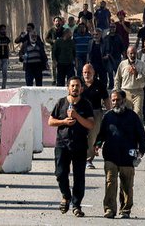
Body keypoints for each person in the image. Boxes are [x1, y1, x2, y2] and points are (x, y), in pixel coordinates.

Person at [95, 90, 145, 219]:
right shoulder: (108, 117)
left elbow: (141, 135)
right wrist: (97, 144)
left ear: (124, 100)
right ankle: (109, 209)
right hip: (110, 156)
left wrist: (141, 151)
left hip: (128, 157)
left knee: (127, 186)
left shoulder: (133, 117)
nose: (115, 103)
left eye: (118, 100)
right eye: (113, 100)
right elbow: (101, 134)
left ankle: (125, 210)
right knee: (110, 183)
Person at [48, 76, 94, 217]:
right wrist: (63, 122)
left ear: (81, 88)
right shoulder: (61, 103)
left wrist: (76, 117)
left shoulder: (86, 104)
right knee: (61, 173)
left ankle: (76, 205)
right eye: (72, 85)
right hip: (62, 144)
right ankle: (66, 196)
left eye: (77, 86)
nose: (75, 88)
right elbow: (50, 121)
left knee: (79, 176)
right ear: (68, 87)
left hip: (79, 145)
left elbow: (91, 124)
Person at [81, 63, 111, 170]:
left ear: (93, 73)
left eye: (89, 72)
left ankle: (88, 159)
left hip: (96, 113)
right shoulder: (78, 84)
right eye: (85, 72)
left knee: (93, 137)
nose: (87, 74)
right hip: (81, 113)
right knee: (80, 136)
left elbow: (106, 100)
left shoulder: (99, 84)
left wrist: (110, 113)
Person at [114, 47, 145, 123]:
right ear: (127, 54)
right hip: (126, 92)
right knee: (126, 113)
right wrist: (117, 91)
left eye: (134, 53)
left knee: (138, 113)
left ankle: (138, 131)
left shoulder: (142, 64)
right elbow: (117, 78)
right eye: (131, 53)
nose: (133, 55)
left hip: (138, 92)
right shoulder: (122, 64)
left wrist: (137, 73)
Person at [102, 23, 125, 89]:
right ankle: (111, 85)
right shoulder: (106, 38)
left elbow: (122, 47)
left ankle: (119, 85)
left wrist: (124, 57)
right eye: (111, 27)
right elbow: (103, 48)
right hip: (109, 58)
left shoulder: (119, 37)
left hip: (117, 57)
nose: (112, 28)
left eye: (114, 27)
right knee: (110, 73)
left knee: (118, 73)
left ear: (115, 28)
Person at [46, 16, 66, 84]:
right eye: (56, 21)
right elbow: (46, 39)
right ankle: (54, 79)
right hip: (53, 50)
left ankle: (60, 78)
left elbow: (67, 38)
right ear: (54, 22)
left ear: (61, 22)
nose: (57, 22)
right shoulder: (51, 30)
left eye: (59, 21)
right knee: (53, 65)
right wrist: (52, 41)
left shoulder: (64, 30)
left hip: (62, 51)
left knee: (61, 65)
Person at [0, 24, 11, 89]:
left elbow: (7, 47)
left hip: (5, 58)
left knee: (5, 73)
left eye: (4, 29)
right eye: (2, 29)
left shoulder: (6, 39)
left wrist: (8, 57)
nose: (3, 31)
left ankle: (3, 87)